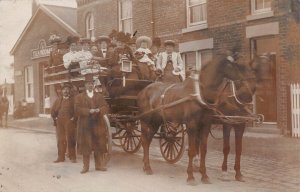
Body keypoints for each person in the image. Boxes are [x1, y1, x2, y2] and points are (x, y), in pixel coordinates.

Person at [75, 74, 109, 173]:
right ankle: (86, 167)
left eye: (91, 84)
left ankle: (99, 166)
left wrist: (99, 110)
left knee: (98, 144)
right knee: (86, 145)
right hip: (85, 125)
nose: (90, 85)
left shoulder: (99, 96)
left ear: (94, 85)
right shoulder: (79, 97)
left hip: (98, 124)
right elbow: (77, 110)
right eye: (88, 84)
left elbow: (105, 107)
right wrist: (88, 111)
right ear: (85, 85)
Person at [51, 82, 77, 163]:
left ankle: (72, 157)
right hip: (60, 122)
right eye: (64, 90)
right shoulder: (58, 100)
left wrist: (74, 118)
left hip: (69, 121)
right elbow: (53, 110)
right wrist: (54, 117)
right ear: (62, 91)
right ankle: (61, 157)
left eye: (67, 89)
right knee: (60, 139)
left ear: (69, 91)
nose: (65, 91)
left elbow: (77, 110)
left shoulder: (73, 100)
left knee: (70, 139)